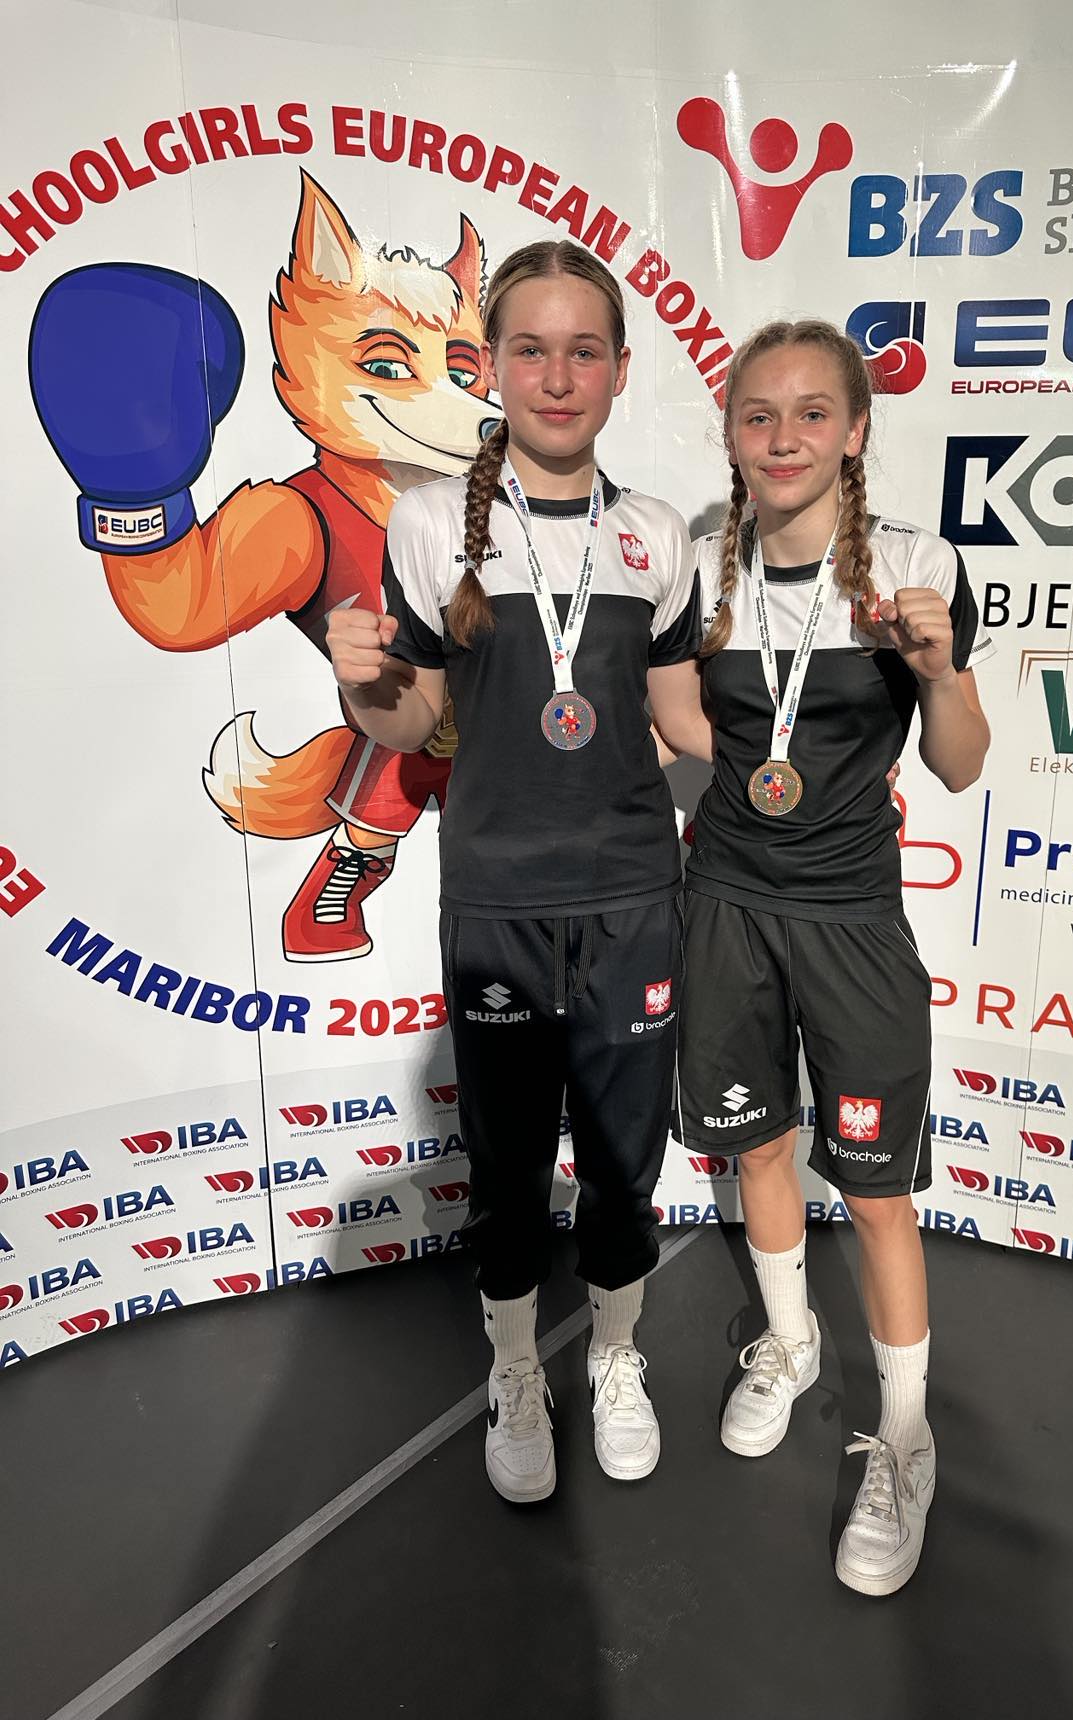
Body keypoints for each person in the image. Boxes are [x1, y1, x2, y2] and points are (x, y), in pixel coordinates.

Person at [326, 241, 701, 1503]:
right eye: (530, 349)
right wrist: (362, 681)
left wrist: (816, 726)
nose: (557, 375)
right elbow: (412, 718)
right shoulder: (433, 522)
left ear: (620, 371)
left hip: (633, 894)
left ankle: (617, 1354)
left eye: (583, 350)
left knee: (624, 1160)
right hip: (497, 896)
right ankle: (515, 1368)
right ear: (490, 365)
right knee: (506, 1166)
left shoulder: (656, 533)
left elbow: (681, 718)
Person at [652, 318, 992, 1594]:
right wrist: (747, 764)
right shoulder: (706, 567)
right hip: (730, 903)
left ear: (855, 430)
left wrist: (938, 670)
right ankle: (790, 1343)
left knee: (880, 1189)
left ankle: (905, 1436)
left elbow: (959, 761)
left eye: (810, 413)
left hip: (852, 917)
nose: (783, 436)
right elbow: (689, 723)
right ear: (731, 433)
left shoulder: (914, 564)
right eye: (758, 414)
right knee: (757, 1147)